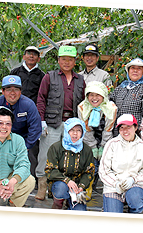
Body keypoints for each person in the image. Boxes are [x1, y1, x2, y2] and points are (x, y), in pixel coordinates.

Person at [36, 45, 86, 200]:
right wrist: (41, 120)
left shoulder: (80, 80)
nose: (66, 62)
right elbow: (41, 99)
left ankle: (58, 188)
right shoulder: (49, 77)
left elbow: (84, 102)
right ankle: (42, 186)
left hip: (72, 124)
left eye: (70, 59)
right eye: (63, 59)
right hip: (52, 122)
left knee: (68, 157)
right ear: (58, 60)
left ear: (75, 61)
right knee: (46, 155)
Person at [0, 75, 41, 179]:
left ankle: (30, 179)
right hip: (1, 140)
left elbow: (35, 128)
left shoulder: (28, 104)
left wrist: (25, 146)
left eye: (16, 89)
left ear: (21, 91)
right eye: (9, 89)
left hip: (23, 140)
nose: (12, 93)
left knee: (32, 153)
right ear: (3, 91)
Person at [98, 114, 143, 213]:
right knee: (113, 217)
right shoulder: (111, 144)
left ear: (136, 127)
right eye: (122, 128)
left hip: (134, 184)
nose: (125, 131)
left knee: (136, 200)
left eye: (129, 127)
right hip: (113, 186)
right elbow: (104, 170)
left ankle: (133, 212)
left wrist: (133, 179)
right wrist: (115, 183)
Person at [10, 46, 45, 189]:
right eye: (29, 54)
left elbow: (43, 96)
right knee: (12, 145)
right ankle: (11, 176)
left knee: (32, 147)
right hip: (15, 114)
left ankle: (32, 179)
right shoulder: (16, 73)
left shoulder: (42, 75)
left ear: (38, 58)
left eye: (35, 54)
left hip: (33, 116)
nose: (31, 56)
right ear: (24, 56)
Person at [45, 118, 94, 210]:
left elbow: (89, 172)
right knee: (61, 189)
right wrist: (67, 181)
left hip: (77, 188)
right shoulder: (56, 148)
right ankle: (58, 205)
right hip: (60, 183)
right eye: (72, 130)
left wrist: (81, 186)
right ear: (67, 131)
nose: (75, 133)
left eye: (78, 130)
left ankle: (70, 203)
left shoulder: (87, 150)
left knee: (80, 213)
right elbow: (50, 170)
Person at [77, 81, 117, 190]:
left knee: (105, 165)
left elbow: (108, 129)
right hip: (89, 138)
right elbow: (86, 129)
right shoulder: (82, 107)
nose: (94, 98)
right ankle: (88, 187)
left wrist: (104, 146)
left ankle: (108, 189)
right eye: (91, 95)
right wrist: (93, 147)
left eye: (97, 95)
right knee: (91, 164)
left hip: (105, 138)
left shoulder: (111, 108)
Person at [109, 57, 143, 142]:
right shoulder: (121, 87)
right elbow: (110, 104)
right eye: (132, 68)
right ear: (128, 71)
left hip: (135, 135)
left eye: (139, 69)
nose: (135, 71)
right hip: (118, 133)